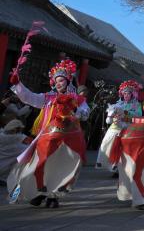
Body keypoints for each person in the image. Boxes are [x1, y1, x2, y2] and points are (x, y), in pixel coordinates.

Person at [7, 59, 89, 208]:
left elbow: (85, 114)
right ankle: (38, 192)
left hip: (68, 139)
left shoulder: (77, 98)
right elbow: (29, 97)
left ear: (68, 81)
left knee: (60, 167)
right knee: (39, 166)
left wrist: (74, 109)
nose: (59, 83)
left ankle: (53, 196)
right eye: (56, 81)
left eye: (62, 80)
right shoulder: (47, 98)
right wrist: (18, 84)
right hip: (47, 136)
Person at [96, 80, 143, 175]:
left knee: (125, 149)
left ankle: (124, 167)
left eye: (128, 93)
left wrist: (125, 113)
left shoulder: (136, 105)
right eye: (124, 93)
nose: (126, 95)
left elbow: (138, 115)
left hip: (128, 128)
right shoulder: (117, 104)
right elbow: (111, 114)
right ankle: (113, 166)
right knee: (107, 143)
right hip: (115, 128)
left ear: (133, 94)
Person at [0, 119, 30, 185]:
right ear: (15, 130)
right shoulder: (18, 147)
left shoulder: (2, 136)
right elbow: (31, 147)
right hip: (4, 176)